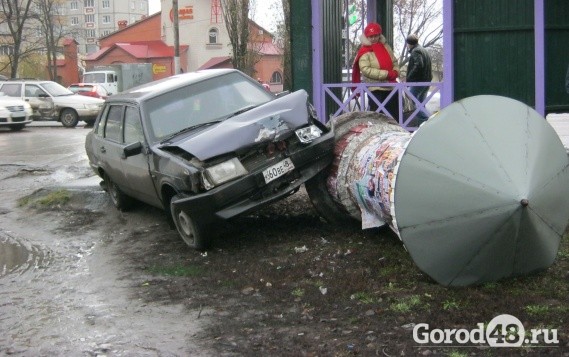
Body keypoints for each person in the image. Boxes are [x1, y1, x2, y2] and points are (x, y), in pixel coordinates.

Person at [352, 22, 399, 118]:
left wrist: (396, 71)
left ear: (379, 35)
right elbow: (365, 69)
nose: (373, 38)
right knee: (377, 116)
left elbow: (394, 61)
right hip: (375, 88)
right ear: (367, 37)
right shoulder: (364, 50)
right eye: (370, 36)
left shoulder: (386, 47)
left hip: (390, 86)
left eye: (376, 36)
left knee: (394, 115)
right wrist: (386, 74)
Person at [405, 34, 433, 123]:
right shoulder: (424, 50)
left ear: (408, 44)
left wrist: (409, 76)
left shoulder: (415, 51)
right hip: (427, 80)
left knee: (412, 101)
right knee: (421, 104)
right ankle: (422, 124)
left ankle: (427, 120)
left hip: (418, 81)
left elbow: (418, 65)